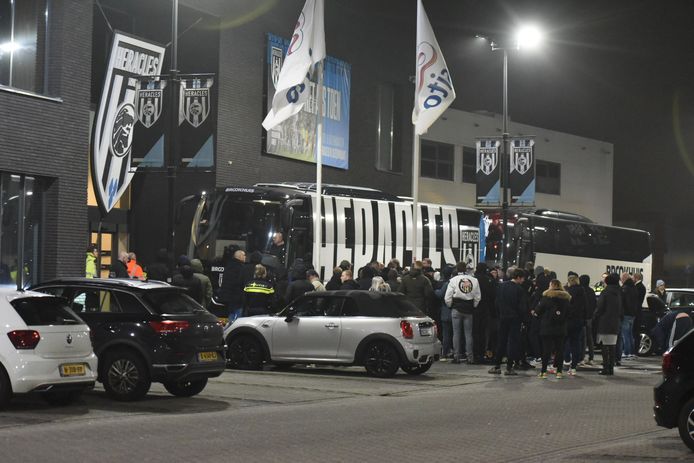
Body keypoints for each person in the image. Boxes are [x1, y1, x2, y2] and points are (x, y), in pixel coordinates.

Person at [489, 268, 527, 375]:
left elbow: (496, 302)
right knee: (512, 342)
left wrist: (499, 314)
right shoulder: (519, 290)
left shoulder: (501, 286)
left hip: (503, 318)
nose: (523, 281)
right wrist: (524, 320)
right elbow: (522, 307)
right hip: (515, 319)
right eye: (523, 278)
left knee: (501, 341)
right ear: (518, 277)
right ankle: (509, 367)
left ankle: (497, 366)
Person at [533, 279, 571, 379]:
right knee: (560, 350)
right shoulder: (566, 299)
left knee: (546, 350)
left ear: (551, 285)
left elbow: (538, 311)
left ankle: (543, 372)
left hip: (547, 328)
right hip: (561, 328)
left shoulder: (546, 297)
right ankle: (559, 372)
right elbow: (569, 314)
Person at [445, 261, 481, 364]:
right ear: (466, 269)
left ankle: (456, 357)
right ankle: (470, 357)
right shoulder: (474, 280)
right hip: (469, 309)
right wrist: (473, 306)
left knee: (456, 333)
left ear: (457, 269)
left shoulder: (453, 280)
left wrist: (451, 306)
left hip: (456, 308)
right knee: (468, 334)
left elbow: (447, 297)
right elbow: (478, 297)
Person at [594, 273, 623, 376]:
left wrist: (596, 315)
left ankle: (606, 368)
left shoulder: (605, 292)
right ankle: (611, 368)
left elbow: (600, 306)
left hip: (605, 322)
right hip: (615, 322)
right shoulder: (619, 292)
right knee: (612, 346)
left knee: (605, 347)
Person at [564, 274, 587, 375]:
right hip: (578, 321)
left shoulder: (567, 292)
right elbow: (586, 307)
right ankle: (573, 367)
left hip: (568, 321)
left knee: (565, 341)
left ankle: (566, 360)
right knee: (576, 343)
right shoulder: (583, 292)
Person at [219, 249, 247, 322]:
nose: (245, 257)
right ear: (240, 256)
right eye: (244, 255)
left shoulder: (229, 266)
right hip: (237, 297)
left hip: (228, 297)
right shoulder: (241, 268)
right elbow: (241, 283)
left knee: (230, 316)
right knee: (237, 319)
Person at [618, 272, 639, 361]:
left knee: (625, 334)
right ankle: (631, 352)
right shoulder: (634, 287)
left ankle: (626, 352)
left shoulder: (625, 288)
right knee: (630, 334)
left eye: (622, 279)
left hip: (626, 314)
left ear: (625, 278)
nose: (621, 280)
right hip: (633, 314)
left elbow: (624, 302)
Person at [435, 265, 455, 360]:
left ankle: (445, 352)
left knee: (446, 333)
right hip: (456, 311)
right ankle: (456, 351)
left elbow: (440, 295)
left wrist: (435, 291)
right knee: (456, 333)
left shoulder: (446, 284)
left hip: (446, 311)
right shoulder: (456, 283)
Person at [579, 274, 597, 366]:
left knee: (583, 338)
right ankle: (591, 357)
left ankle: (581, 357)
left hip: (582, 317)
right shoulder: (591, 291)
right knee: (590, 338)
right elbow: (594, 304)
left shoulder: (581, 291)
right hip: (590, 317)